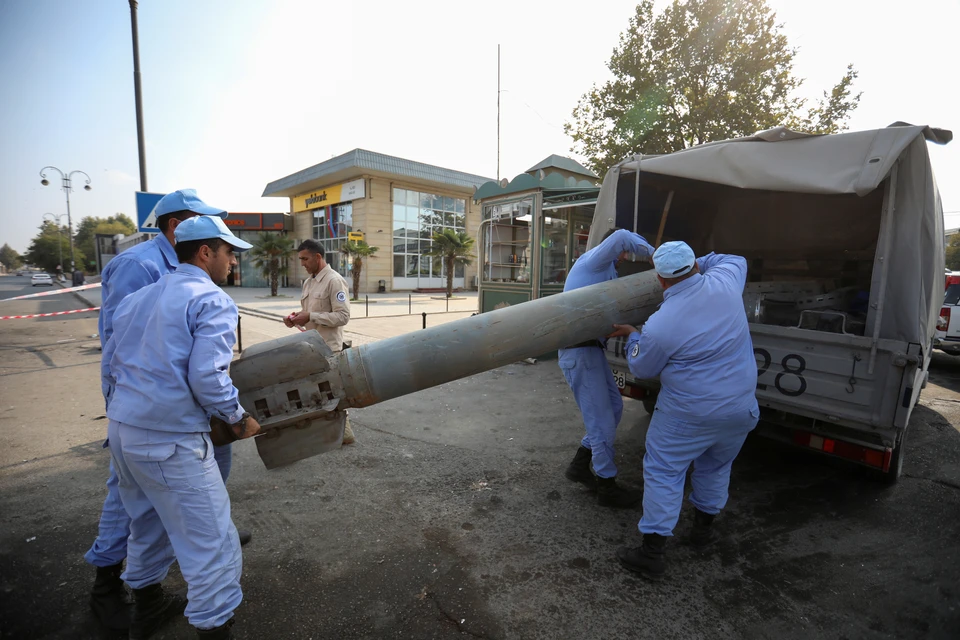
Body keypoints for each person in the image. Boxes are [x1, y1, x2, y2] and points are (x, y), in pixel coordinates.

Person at [86, 189, 250, 633]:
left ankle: (147, 598)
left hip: (126, 429)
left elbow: (116, 359)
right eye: (228, 253)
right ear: (204, 252)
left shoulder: (141, 297)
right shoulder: (213, 301)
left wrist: (122, 410)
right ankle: (215, 625)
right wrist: (237, 418)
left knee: (146, 521)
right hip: (169, 439)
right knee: (212, 543)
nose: (232, 263)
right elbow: (207, 378)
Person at [610, 241, 760, 580]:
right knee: (716, 465)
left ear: (660, 281)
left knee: (664, 471)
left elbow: (644, 368)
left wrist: (634, 336)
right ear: (695, 266)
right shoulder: (725, 284)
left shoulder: (662, 324)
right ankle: (702, 532)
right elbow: (734, 256)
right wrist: (699, 261)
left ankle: (652, 554)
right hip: (739, 409)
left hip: (688, 414)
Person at [559, 228, 655, 508]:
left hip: (590, 350)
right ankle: (607, 487)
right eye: (623, 253)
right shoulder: (592, 261)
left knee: (614, 408)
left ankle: (580, 464)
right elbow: (622, 235)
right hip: (579, 351)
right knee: (600, 421)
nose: (625, 257)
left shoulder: (609, 273)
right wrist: (654, 255)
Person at [284, 239, 355, 445]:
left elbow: (342, 317)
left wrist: (311, 316)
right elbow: (310, 313)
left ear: (318, 257)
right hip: (310, 346)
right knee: (316, 390)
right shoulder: (309, 282)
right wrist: (295, 318)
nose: (302, 263)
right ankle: (327, 430)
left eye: (305, 259)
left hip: (328, 347)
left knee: (332, 389)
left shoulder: (334, 281)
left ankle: (345, 431)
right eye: (300, 259)